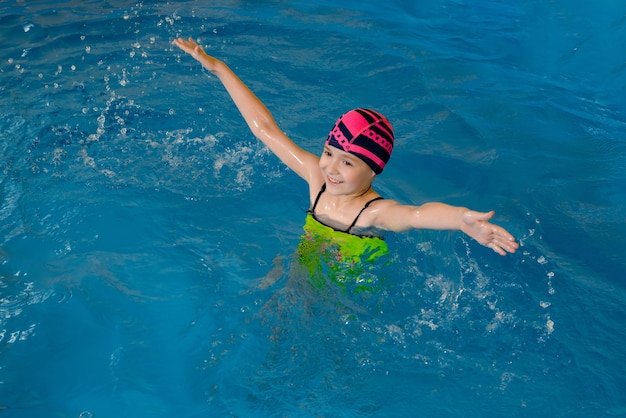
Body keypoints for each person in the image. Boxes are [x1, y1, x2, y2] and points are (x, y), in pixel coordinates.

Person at [172, 37, 519, 275]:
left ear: (374, 171)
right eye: (328, 152)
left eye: (348, 162)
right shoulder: (317, 180)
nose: (331, 168)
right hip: (307, 265)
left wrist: (461, 220)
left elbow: (417, 214)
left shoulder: (374, 213)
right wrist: (218, 68)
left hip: (352, 284)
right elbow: (265, 129)